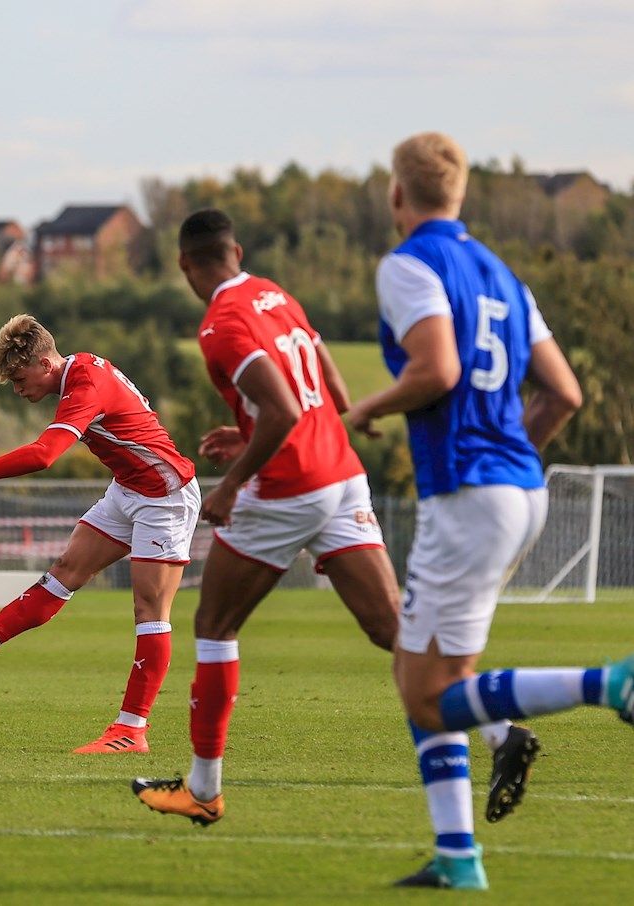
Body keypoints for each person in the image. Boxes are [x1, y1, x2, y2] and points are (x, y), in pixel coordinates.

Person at [345, 132, 628, 890]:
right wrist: (512, 466)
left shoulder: (409, 263)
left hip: (470, 494)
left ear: (397, 196)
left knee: (424, 691)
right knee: (431, 676)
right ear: (460, 193)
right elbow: (562, 392)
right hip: (514, 486)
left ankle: (609, 684)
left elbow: (435, 368)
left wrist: (366, 406)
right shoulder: (501, 273)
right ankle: (457, 857)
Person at [131, 207, 416, 826]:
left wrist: (232, 484)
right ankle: (502, 730)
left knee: (213, 625)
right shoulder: (275, 296)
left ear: (186, 265)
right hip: (342, 476)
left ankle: (203, 790)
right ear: (237, 250)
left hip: (289, 487)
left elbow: (284, 410)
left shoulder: (220, 325)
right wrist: (260, 429)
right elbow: (325, 391)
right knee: (389, 626)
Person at [0, 314, 201, 754]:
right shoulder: (79, 374)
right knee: (66, 570)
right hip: (129, 487)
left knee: (150, 608)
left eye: (18, 377)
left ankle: (131, 730)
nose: (17, 389)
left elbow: (45, 455)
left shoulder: (85, 383)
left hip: (165, 496)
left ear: (46, 363)